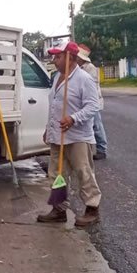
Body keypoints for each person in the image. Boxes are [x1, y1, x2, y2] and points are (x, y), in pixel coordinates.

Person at [37, 40, 102, 227]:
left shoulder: (84, 79)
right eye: (54, 57)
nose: (54, 60)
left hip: (78, 137)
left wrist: (74, 118)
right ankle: (59, 210)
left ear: (71, 58)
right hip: (58, 136)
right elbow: (55, 106)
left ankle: (92, 209)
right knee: (57, 174)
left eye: (58, 57)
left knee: (84, 173)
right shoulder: (57, 77)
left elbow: (93, 106)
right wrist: (48, 129)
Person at [77, 44, 108, 160]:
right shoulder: (80, 68)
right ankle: (94, 149)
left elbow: (91, 87)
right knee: (90, 126)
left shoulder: (90, 68)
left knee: (96, 126)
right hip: (86, 101)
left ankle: (102, 149)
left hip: (93, 101)